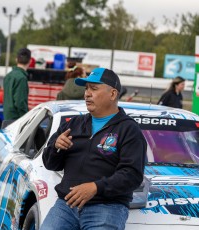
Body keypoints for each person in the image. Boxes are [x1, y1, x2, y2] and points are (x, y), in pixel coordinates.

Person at [41, 67, 147, 230]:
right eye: (86, 88)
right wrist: (55, 148)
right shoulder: (73, 124)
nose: (87, 94)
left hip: (107, 207)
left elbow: (132, 175)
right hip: (66, 205)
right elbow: (50, 164)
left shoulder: (129, 130)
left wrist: (95, 187)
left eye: (94, 89)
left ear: (112, 94)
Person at [3, 48, 31, 120]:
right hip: (17, 119)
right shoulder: (22, 78)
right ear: (30, 61)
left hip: (7, 117)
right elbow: (20, 103)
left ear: (16, 59)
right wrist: (26, 119)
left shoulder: (8, 76)